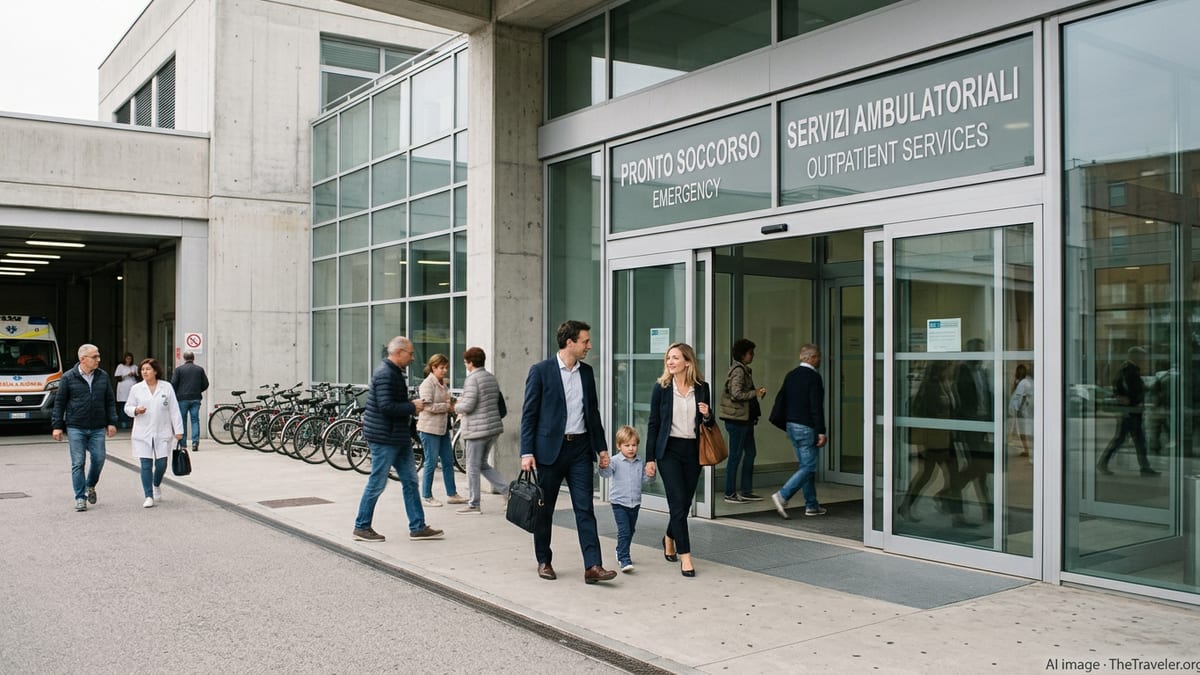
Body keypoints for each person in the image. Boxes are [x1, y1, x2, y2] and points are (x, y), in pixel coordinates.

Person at [520, 320, 616, 584]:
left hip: (580, 450)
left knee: (585, 508)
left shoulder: (586, 372)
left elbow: (592, 414)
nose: (589, 345)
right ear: (570, 342)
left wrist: (602, 448)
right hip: (549, 451)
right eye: (585, 341)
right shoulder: (540, 371)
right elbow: (529, 415)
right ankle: (544, 560)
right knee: (545, 510)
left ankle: (593, 566)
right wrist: (526, 451)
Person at [352, 336, 443, 542]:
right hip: (385, 437)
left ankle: (418, 527)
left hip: (397, 436)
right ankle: (361, 526)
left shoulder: (393, 373)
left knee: (411, 481)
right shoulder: (386, 374)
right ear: (399, 352)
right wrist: (413, 406)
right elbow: (386, 407)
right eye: (410, 354)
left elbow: (392, 404)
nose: (412, 358)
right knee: (377, 482)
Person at [646, 341, 713, 578]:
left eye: (675, 358)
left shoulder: (702, 388)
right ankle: (686, 557)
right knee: (677, 502)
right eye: (668, 358)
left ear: (687, 361)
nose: (670, 362)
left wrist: (707, 415)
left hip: (693, 451)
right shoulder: (662, 388)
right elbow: (653, 425)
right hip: (669, 451)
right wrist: (650, 458)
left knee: (684, 504)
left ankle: (669, 537)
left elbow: (708, 425)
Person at [897, 360, 971, 526]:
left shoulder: (947, 385)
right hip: (933, 440)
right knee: (927, 475)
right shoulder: (930, 388)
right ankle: (906, 506)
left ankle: (956, 515)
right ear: (941, 370)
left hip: (947, 437)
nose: (952, 370)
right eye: (949, 367)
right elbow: (925, 413)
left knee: (951, 476)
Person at [51, 343, 118, 512]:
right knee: (78, 463)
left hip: (97, 427)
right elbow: (59, 403)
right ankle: (80, 497)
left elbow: (109, 401)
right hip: (76, 426)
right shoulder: (68, 377)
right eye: (95, 357)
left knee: (99, 459)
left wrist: (112, 422)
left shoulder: (103, 376)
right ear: (83, 359)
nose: (98, 360)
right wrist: (57, 426)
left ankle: (90, 485)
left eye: (98, 356)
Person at [769, 344, 828, 520]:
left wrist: (785, 423)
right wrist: (821, 431)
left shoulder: (791, 375)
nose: (820, 360)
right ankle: (783, 495)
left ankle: (811, 505)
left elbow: (781, 400)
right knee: (809, 467)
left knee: (805, 466)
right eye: (817, 356)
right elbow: (816, 406)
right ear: (809, 358)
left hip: (791, 426)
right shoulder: (814, 378)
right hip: (806, 427)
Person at [454, 347, 510, 514]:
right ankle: (507, 491)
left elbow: (469, 405)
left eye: (466, 363)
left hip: (477, 430)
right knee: (482, 464)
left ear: (471, 363)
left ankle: (474, 504)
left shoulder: (473, 379)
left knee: (472, 467)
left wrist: (455, 406)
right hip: (492, 428)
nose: (466, 366)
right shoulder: (490, 378)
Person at [125, 358, 184, 508]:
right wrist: (135, 410)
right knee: (145, 464)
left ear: (155, 371)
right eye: (143, 369)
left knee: (161, 463)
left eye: (148, 369)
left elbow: (174, 410)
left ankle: (156, 484)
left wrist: (178, 430)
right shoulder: (136, 388)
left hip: (162, 431)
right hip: (142, 432)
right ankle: (148, 495)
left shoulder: (166, 387)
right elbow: (127, 407)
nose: (144, 372)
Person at [599, 425, 653, 573]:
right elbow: (606, 474)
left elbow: (645, 480)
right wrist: (603, 467)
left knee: (631, 530)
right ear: (619, 446)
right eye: (627, 445)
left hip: (635, 503)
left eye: (634, 445)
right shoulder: (615, 461)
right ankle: (624, 559)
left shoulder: (639, 462)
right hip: (619, 503)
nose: (631, 449)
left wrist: (650, 474)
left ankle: (619, 550)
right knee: (624, 530)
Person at [719, 338, 767, 503]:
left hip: (744, 419)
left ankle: (746, 490)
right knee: (736, 456)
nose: (752, 356)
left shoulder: (744, 369)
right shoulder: (739, 371)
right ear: (743, 354)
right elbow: (736, 394)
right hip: (737, 420)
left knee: (750, 453)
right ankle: (730, 492)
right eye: (750, 353)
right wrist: (756, 393)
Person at [1098, 347, 1159, 476]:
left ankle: (1144, 467)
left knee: (1137, 440)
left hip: (1131, 410)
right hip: (1131, 411)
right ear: (1137, 357)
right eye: (1142, 357)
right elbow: (1133, 390)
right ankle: (1103, 463)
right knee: (1126, 439)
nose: (1144, 360)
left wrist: (1120, 395)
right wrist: (1144, 390)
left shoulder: (1127, 370)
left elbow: (1119, 385)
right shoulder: (1129, 371)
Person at [416, 353, 467, 508]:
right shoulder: (427, 384)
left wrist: (454, 404)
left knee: (447, 460)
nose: (445, 370)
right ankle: (426, 496)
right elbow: (426, 406)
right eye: (442, 368)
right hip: (429, 429)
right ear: (434, 367)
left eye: (446, 368)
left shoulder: (442, 383)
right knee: (431, 462)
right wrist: (446, 406)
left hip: (443, 428)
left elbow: (447, 401)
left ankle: (452, 494)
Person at [171, 350, 209, 452]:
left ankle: (183, 443)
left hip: (182, 398)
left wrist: (176, 394)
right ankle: (195, 442)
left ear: (184, 358)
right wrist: (198, 390)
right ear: (193, 358)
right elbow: (206, 384)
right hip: (196, 398)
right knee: (195, 420)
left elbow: (173, 384)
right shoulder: (199, 369)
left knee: (182, 420)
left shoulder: (179, 370)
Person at [1008, 364, 1034, 458]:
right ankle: (1026, 449)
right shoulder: (1023, 381)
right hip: (1022, 410)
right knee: (1022, 431)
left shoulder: (1024, 382)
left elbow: (1022, 396)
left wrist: (1019, 407)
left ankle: (1027, 450)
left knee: (1023, 431)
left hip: (1022, 410)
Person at [114, 352, 138, 430]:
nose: (129, 360)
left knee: (133, 404)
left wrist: (134, 374)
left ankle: (131, 422)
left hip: (132, 386)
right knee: (123, 405)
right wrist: (127, 374)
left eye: (130, 359)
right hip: (123, 388)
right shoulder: (120, 367)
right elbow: (117, 378)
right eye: (127, 358)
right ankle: (123, 422)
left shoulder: (134, 367)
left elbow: (139, 377)